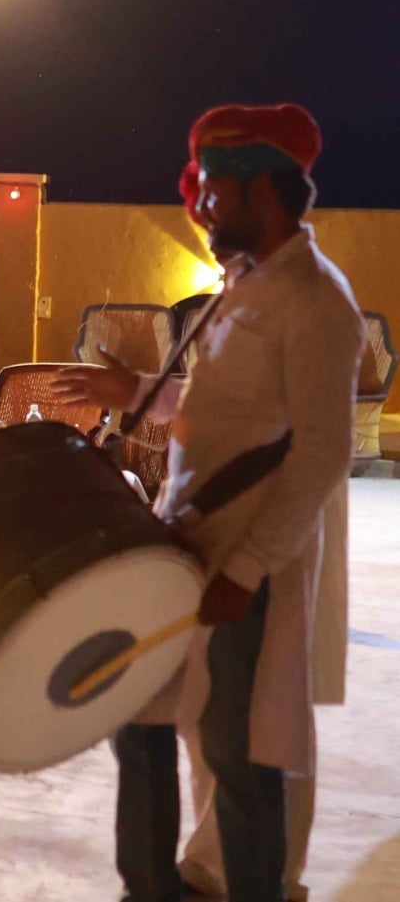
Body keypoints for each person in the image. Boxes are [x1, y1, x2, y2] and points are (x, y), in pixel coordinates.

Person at [56, 104, 364, 902]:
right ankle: (155, 886)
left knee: (242, 750)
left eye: (218, 194)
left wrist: (249, 568)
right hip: (185, 546)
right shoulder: (244, 287)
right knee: (146, 719)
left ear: (263, 188)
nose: (203, 211)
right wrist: (134, 392)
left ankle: (252, 887)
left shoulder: (318, 300)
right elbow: (227, 405)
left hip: (246, 563)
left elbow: (327, 447)